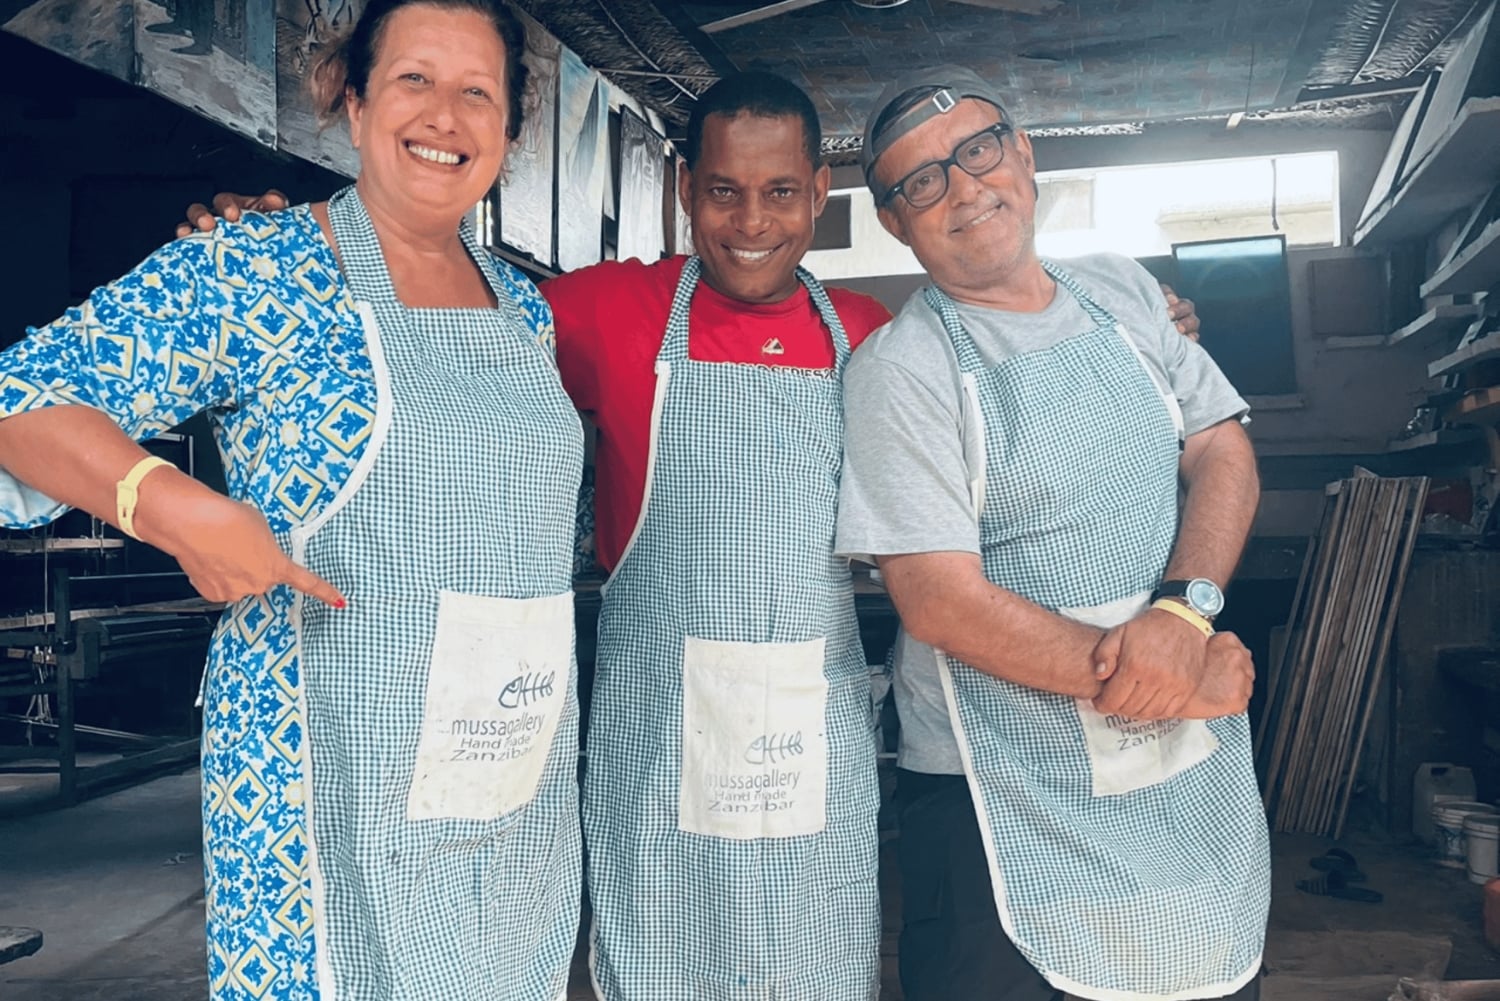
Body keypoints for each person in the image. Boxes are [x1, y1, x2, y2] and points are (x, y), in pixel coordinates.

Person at [179, 71, 1202, 1000]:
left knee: (815, 967)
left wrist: (1146, 322)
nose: (750, 222)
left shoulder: (879, 339)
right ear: (685, 188)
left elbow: (1026, 342)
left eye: (781, 193)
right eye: (723, 191)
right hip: (653, 737)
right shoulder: (602, 312)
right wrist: (292, 247)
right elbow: (433, 300)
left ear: (820, 190)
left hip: (818, 729)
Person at [0, 3, 586, 999]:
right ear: (351, 104)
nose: (444, 115)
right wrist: (175, 507)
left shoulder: (521, 305)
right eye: (413, 80)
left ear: (510, 130)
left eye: (476, 92)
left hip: (509, 787)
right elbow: (21, 402)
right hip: (320, 780)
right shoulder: (258, 264)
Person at [837, 66, 1268, 1001]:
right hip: (995, 794)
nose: (963, 187)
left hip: (1180, 776)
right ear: (895, 223)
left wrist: (1185, 616)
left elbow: (1221, 449)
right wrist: (1169, 682)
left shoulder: (1123, 293)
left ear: (1025, 154)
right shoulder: (902, 367)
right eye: (921, 182)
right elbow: (941, 603)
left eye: (978, 150)